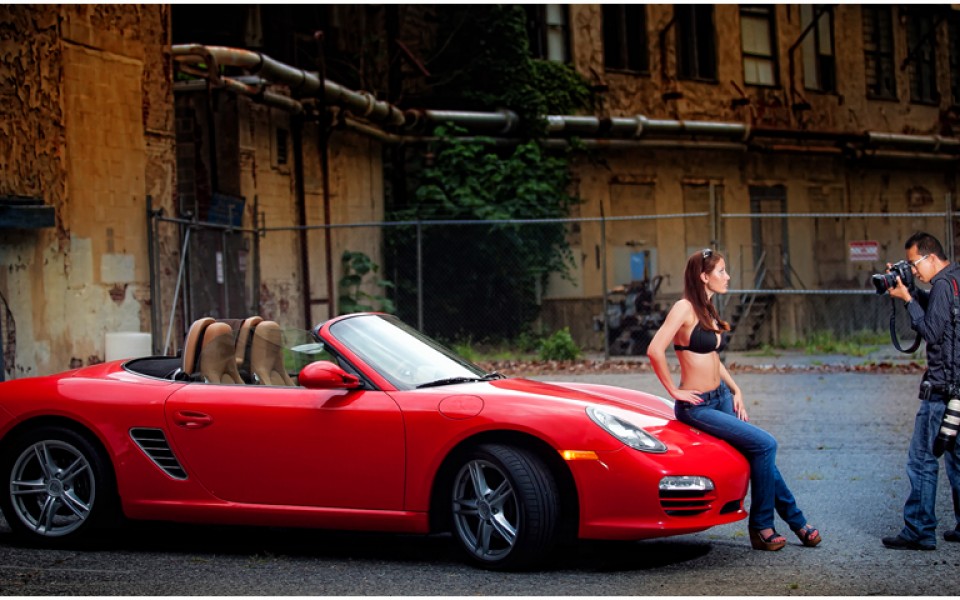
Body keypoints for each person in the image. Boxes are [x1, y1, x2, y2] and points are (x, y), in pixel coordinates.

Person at [647, 248, 821, 551]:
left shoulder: (709, 308)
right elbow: (654, 349)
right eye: (721, 271)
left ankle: (795, 521)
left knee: (759, 452)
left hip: (722, 397)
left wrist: (736, 389)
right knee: (766, 444)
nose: (727, 277)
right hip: (697, 405)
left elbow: (712, 357)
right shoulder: (684, 308)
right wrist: (673, 391)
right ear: (704, 276)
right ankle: (762, 526)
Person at [882, 231, 960, 550]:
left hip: (941, 389)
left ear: (930, 257)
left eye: (914, 264)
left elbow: (931, 330)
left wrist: (908, 300)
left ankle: (919, 529)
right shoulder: (954, 278)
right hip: (957, 388)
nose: (914, 271)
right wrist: (910, 289)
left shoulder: (941, 284)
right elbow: (943, 315)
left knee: (922, 459)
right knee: (956, 459)